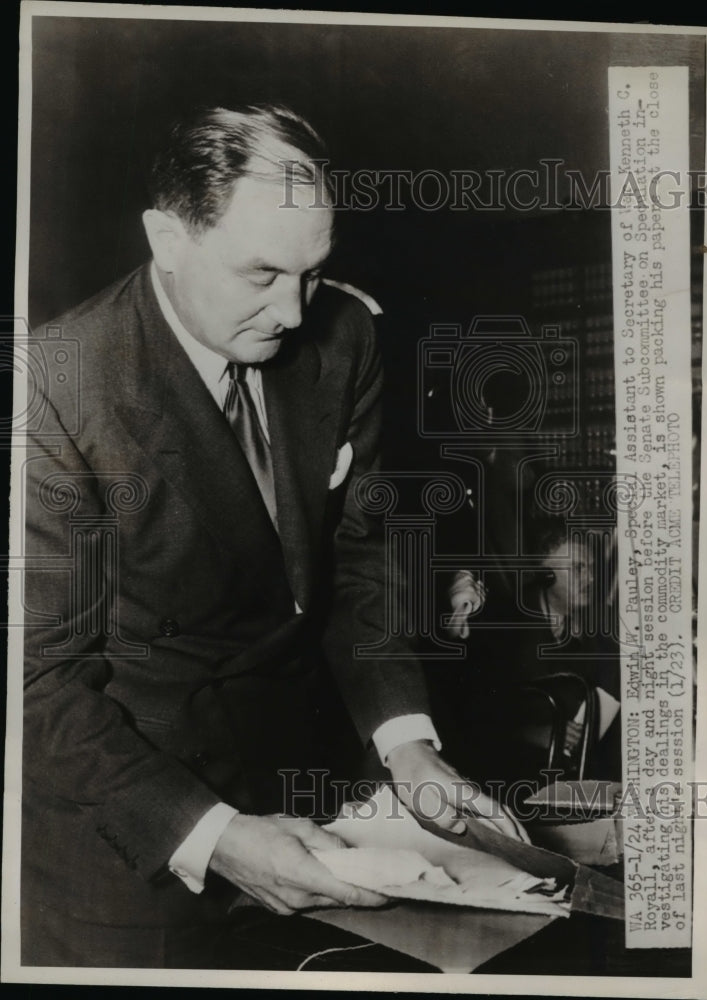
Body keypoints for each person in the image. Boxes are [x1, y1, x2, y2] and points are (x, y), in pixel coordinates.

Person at [22, 104, 524, 969]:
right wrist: (214, 835)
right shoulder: (54, 386)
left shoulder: (345, 336)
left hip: (310, 802)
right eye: (260, 274)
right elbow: (35, 682)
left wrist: (406, 744)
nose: (292, 312)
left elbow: (357, 559)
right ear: (168, 239)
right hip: (137, 838)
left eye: (313, 274)